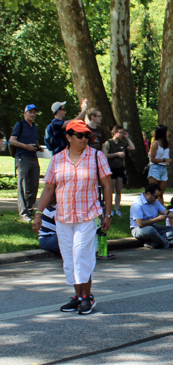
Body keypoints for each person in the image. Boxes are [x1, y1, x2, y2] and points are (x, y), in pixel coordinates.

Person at [32, 120, 112, 315]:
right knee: (69, 258)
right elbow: (49, 188)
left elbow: (108, 186)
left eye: (87, 135)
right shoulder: (58, 159)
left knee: (81, 255)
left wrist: (107, 214)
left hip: (87, 215)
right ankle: (77, 296)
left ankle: (87, 297)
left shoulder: (96, 156)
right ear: (68, 137)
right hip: (63, 217)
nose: (85, 139)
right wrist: (38, 213)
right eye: (79, 135)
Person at [9, 104, 40, 222]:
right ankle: (23, 213)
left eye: (34, 112)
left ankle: (30, 209)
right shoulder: (20, 125)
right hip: (23, 157)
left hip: (33, 157)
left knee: (34, 184)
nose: (32, 114)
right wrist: (25, 146)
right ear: (25, 113)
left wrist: (38, 146)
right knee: (23, 185)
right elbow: (12, 140)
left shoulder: (35, 127)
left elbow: (34, 139)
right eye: (30, 112)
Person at [130, 183, 173, 249]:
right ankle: (166, 244)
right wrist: (157, 219)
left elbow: (167, 213)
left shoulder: (155, 202)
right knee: (151, 230)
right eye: (155, 196)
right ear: (148, 194)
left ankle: (154, 242)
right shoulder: (137, 204)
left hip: (153, 227)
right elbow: (140, 224)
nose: (157, 198)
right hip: (138, 229)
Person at [103, 125, 135, 216]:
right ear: (114, 133)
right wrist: (116, 154)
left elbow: (132, 147)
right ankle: (110, 209)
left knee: (118, 190)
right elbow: (105, 155)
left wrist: (127, 137)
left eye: (122, 132)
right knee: (111, 190)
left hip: (120, 169)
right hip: (111, 168)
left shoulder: (122, 143)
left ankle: (117, 209)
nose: (121, 134)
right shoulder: (108, 143)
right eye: (120, 132)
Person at [148, 125, 172, 204]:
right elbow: (153, 159)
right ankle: (150, 210)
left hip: (164, 168)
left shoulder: (166, 144)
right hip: (155, 168)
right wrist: (165, 160)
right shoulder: (155, 144)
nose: (168, 133)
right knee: (153, 192)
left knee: (160, 193)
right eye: (167, 131)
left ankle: (162, 212)